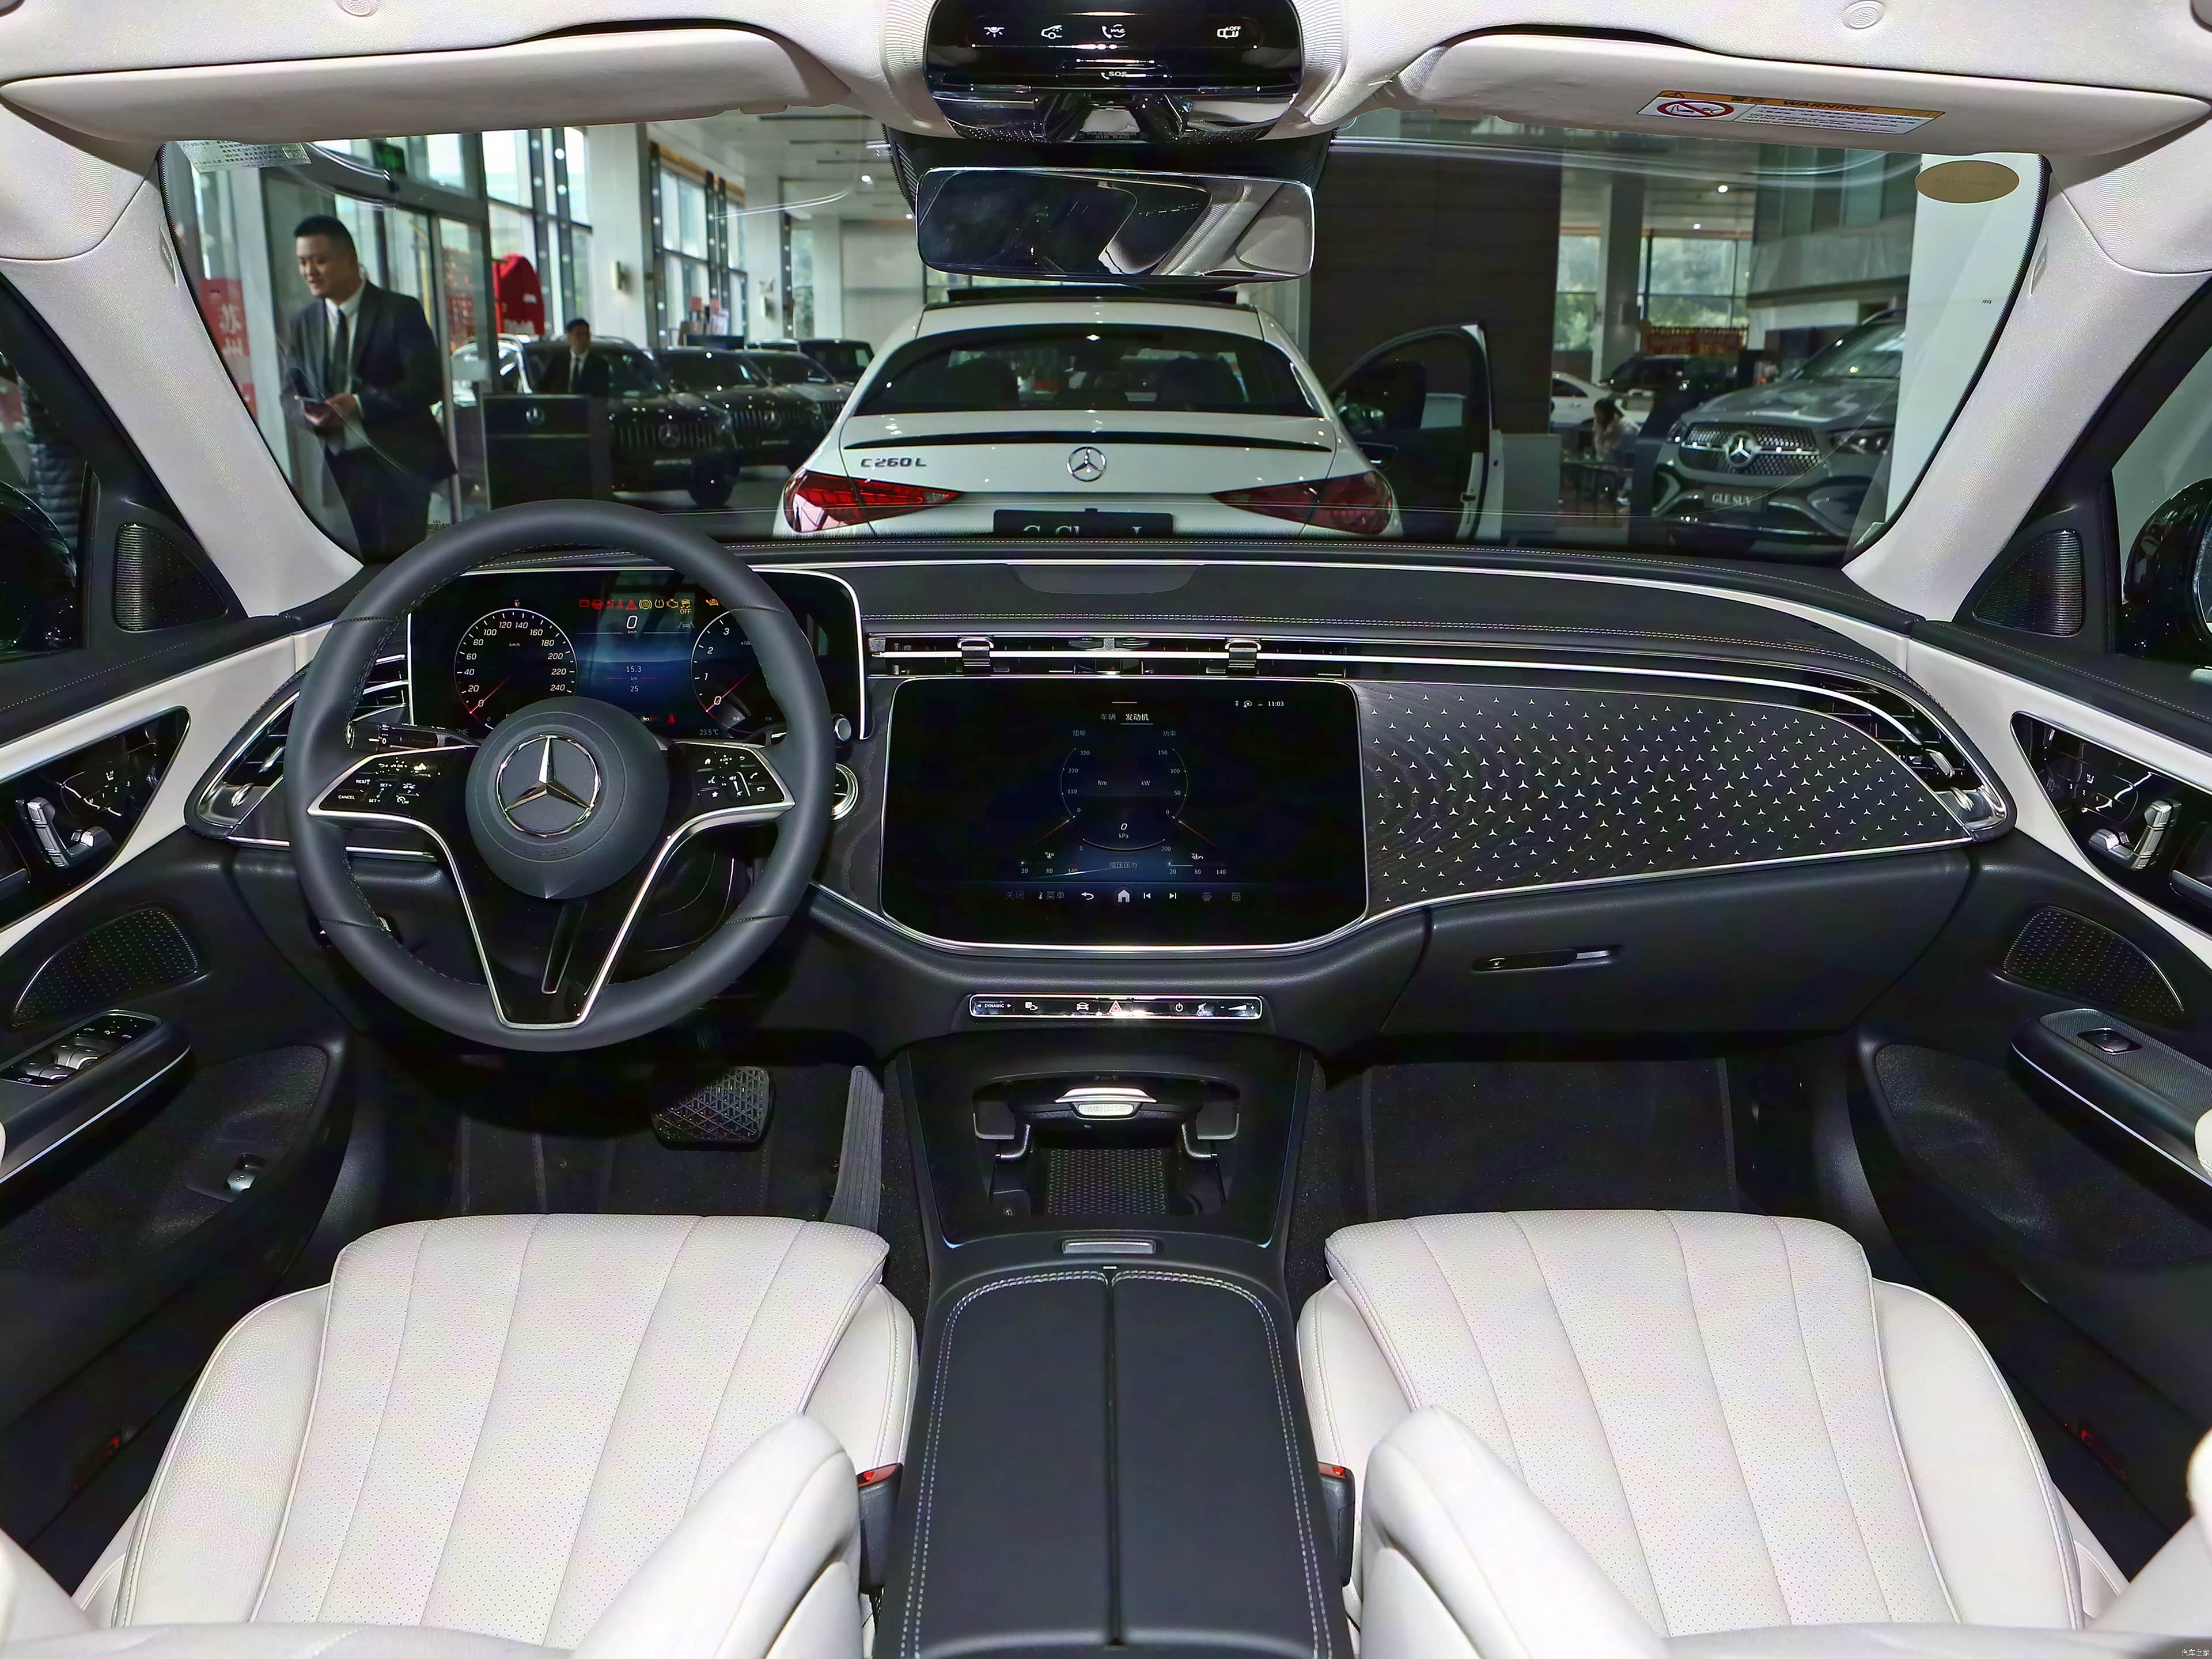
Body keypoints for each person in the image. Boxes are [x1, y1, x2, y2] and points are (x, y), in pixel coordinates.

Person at [282, 214, 454, 562]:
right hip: (340, 469)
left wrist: (359, 404)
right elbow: (288, 395)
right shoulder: (304, 323)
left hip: (399, 464)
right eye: (302, 262)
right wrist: (309, 415)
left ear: (349, 260)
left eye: (319, 260)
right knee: (355, 567)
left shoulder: (400, 311)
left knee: (403, 568)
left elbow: (428, 385)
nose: (309, 272)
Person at [538, 317, 613, 395]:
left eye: (586, 335)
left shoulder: (600, 364)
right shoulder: (558, 361)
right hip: (561, 401)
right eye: (578, 335)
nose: (583, 339)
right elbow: (543, 387)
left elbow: (602, 393)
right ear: (569, 337)